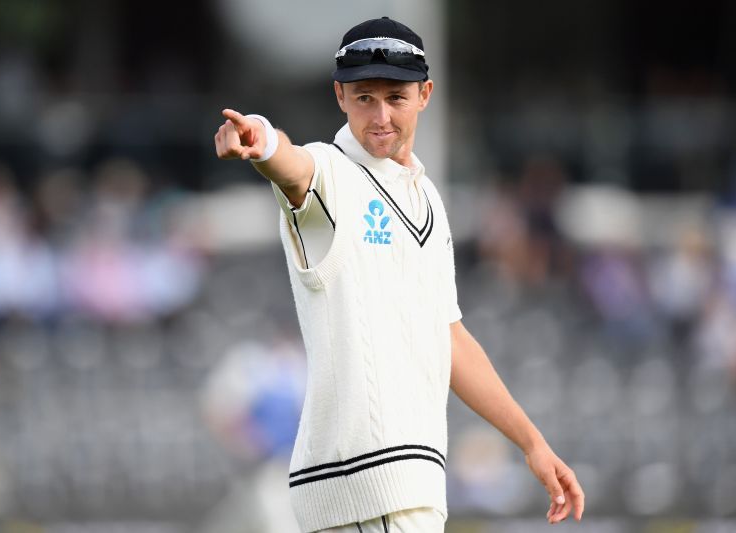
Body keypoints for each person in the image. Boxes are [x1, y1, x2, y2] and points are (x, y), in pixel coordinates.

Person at [214, 16, 584, 533]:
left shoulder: (426, 197)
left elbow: (449, 339)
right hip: (366, 484)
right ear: (340, 97)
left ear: (425, 94)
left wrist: (531, 442)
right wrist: (262, 141)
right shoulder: (334, 173)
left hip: (406, 486)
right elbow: (293, 164)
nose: (381, 115)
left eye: (396, 96)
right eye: (365, 97)